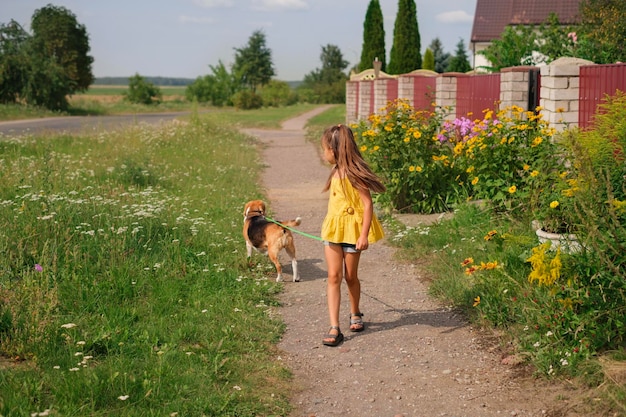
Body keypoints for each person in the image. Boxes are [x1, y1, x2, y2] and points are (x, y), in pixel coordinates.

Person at [319, 124, 386, 347]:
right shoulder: (335, 171)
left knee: (350, 277)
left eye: (325, 149)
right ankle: (334, 327)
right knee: (333, 276)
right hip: (334, 230)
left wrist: (364, 235)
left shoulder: (355, 174)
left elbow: (367, 205)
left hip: (352, 232)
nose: (323, 153)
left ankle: (355, 312)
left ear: (335, 149)